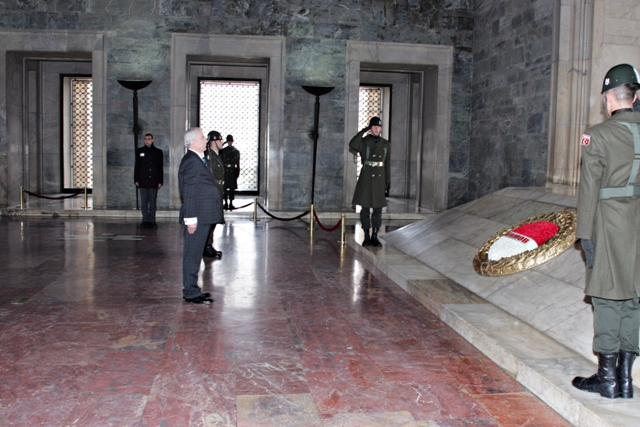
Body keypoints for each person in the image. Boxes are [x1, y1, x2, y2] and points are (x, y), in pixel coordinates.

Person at [573, 63, 640, 399]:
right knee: (634, 298)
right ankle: (625, 379)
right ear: (636, 96)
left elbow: (588, 191)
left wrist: (584, 235)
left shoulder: (597, 135)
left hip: (608, 225)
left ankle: (607, 378)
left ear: (607, 98)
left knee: (607, 298)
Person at [178, 127, 223, 304]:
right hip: (197, 216)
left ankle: (193, 289)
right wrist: (190, 220)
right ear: (193, 142)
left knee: (196, 254)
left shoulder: (197, 159)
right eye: (203, 137)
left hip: (202, 215)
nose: (206, 140)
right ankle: (190, 292)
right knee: (192, 255)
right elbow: (189, 192)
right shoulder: (191, 161)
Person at [349, 116, 391, 247]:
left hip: (379, 178)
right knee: (365, 209)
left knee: (378, 209)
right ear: (370, 128)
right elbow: (352, 144)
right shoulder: (364, 141)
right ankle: (366, 236)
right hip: (366, 178)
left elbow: (387, 164)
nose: (376, 129)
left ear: (381, 128)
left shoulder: (385, 144)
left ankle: (375, 236)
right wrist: (363, 130)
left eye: (378, 127)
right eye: (374, 126)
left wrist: (387, 181)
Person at [203, 130, 226, 259]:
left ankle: (208, 245)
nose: (222, 142)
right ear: (214, 141)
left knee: (214, 220)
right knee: (210, 220)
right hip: (213, 192)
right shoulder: (209, 156)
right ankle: (206, 246)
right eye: (220, 140)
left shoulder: (216, 155)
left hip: (218, 191)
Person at [134, 133, 163, 228]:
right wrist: (136, 179)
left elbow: (160, 167)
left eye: (149, 139)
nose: (147, 141)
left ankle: (152, 220)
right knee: (144, 202)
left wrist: (160, 181)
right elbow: (137, 166)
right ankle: (145, 219)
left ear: (152, 140)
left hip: (154, 180)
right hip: (143, 180)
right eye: (145, 139)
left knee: (152, 202)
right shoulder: (140, 151)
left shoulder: (158, 152)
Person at [220, 134, 241, 210]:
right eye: (228, 141)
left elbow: (237, 163)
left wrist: (237, 173)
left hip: (232, 171)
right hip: (225, 170)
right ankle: (225, 203)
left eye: (230, 141)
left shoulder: (236, 151)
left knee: (232, 188)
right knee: (224, 188)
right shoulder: (223, 151)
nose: (229, 143)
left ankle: (231, 203)